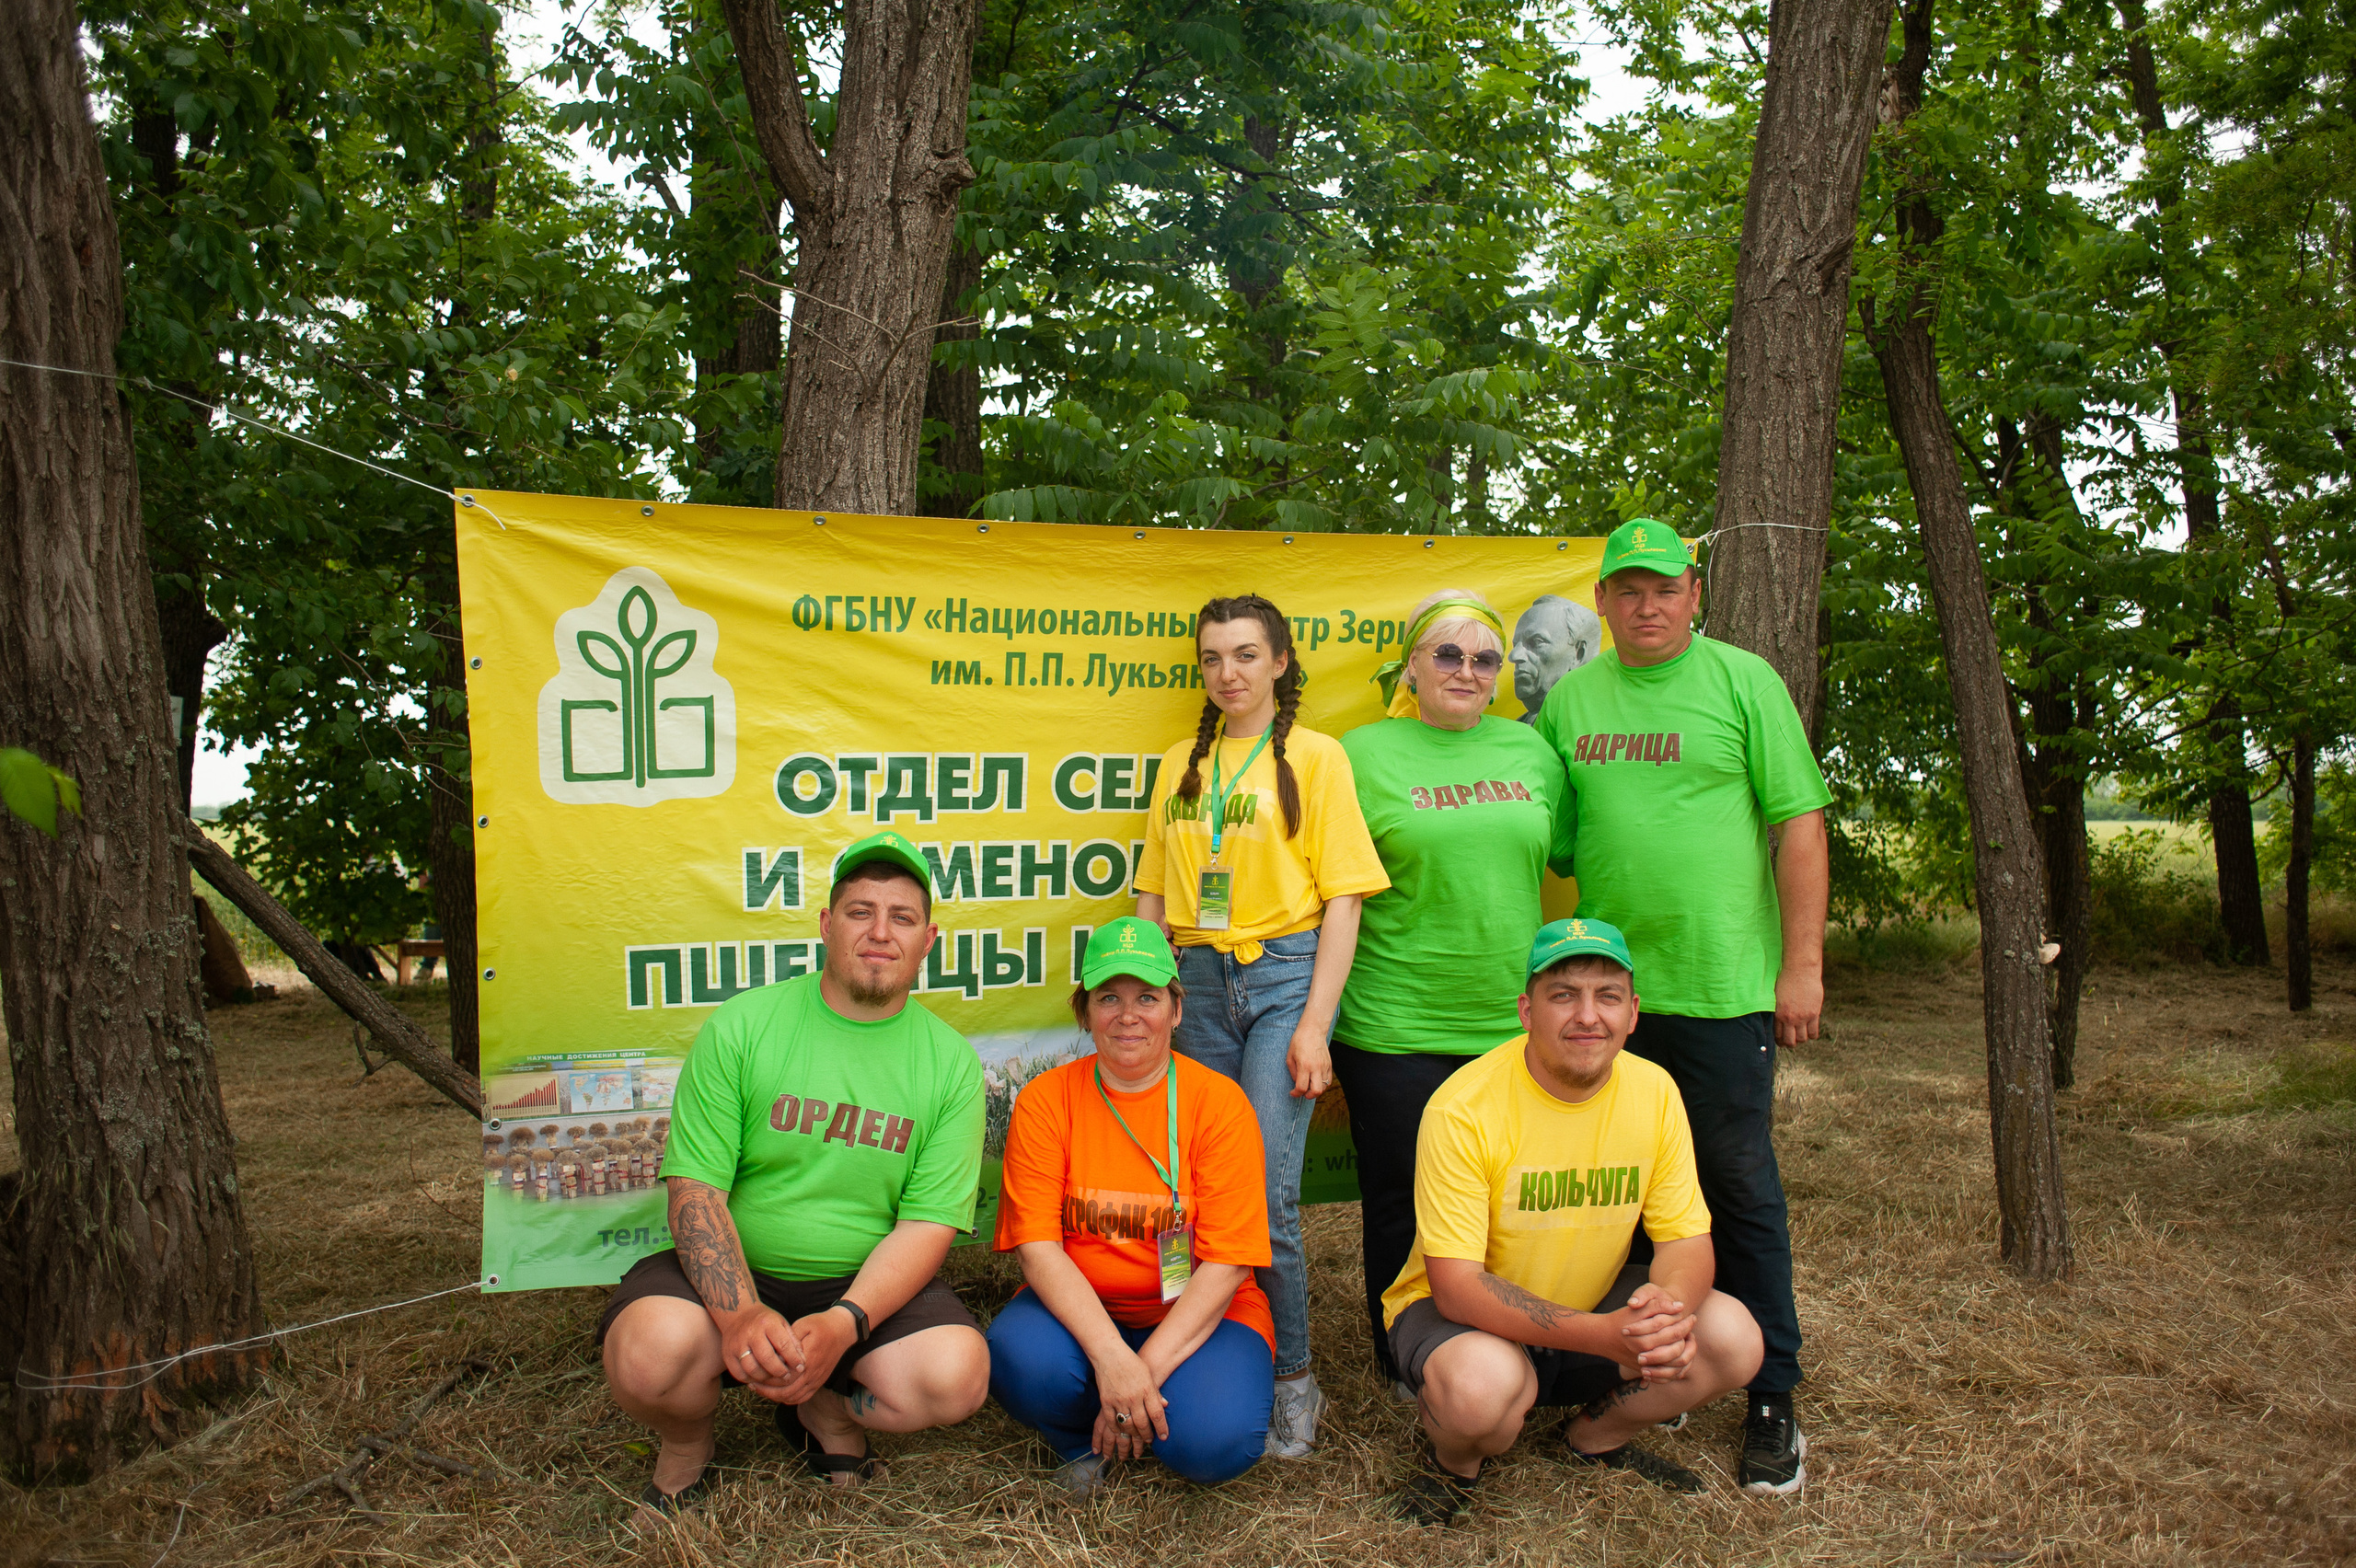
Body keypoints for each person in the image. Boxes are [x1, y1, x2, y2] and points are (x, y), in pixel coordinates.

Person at [1533, 516, 1831, 1496]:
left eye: (1664, 588)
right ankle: (1624, 1376)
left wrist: (1801, 968)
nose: (1646, 606)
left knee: (1736, 1188)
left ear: (1693, 595)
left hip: (1716, 988)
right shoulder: (1572, 704)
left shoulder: (1745, 683)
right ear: (1604, 602)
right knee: (1615, 1197)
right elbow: (1559, 842)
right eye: (1627, 590)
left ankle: (1771, 1395)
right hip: (1603, 999)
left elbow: (1798, 825)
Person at [598, 831, 991, 1518]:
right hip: (736, 1266)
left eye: (901, 917)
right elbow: (695, 1190)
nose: (879, 932)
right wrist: (740, 1310)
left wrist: (843, 1324)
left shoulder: (951, 1063)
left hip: (860, 1283)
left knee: (954, 1380)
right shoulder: (744, 1025)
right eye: (859, 911)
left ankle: (829, 1408)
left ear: (928, 942)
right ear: (825, 926)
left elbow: (928, 1224)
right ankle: (688, 1441)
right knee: (648, 1357)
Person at [1382, 918, 1763, 1526]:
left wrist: (1663, 1315)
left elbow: (1687, 1242)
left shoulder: (1656, 1091)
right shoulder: (1462, 1108)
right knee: (1480, 1394)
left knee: (1733, 1337)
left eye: (1607, 996)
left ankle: (1595, 1437)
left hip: (1594, 1306)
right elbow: (1457, 1285)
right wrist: (1607, 1337)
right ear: (1526, 1010)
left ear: (1633, 1013)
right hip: (1464, 1316)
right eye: (1564, 995)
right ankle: (1453, 1462)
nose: (1589, 1016)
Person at [1134, 593, 1390, 1458]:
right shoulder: (1179, 763)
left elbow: (1345, 897)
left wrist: (1316, 1024)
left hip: (1284, 977)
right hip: (1195, 982)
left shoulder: (1317, 759)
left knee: (1267, 1194)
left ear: (1280, 663)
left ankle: (1294, 1378)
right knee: (1186, 1186)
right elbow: (1155, 895)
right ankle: (1187, 1345)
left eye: (1245, 655)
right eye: (1212, 659)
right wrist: (1152, 993)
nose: (1227, 673)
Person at [1335, 589, 1575, 1387]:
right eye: (1447, 654)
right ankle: (1406, 1358)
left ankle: (1518, 1344)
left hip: (1512, 1021)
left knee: (1514, 1204)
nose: (1467, 672)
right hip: (1394, 1020)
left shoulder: (1533, 753)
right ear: (1411, 666)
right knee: (1402, 1202)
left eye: (1484, 659)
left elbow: (1573, 855)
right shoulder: (1360, 754)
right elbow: (1329, 888)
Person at [987, 917, 1276, 1499]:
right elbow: (1037, 1248)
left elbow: (1228, 1265)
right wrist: (1112, 1358)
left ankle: (1138, 1408)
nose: (1128, 1015)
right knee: (1018, 1359)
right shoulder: (1046, 1100)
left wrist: (1137, 1374)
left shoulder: (1219, 1104)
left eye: (1147, 997)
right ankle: (1081, 1437)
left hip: (1200, 1313)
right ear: (1084, 1010)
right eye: (1108, 998)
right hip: (1084, 1313)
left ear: (1175, 1008)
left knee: (1214, 1441)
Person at [1507, 594, 1605, 722]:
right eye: (1515, 645)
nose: (1514, 656)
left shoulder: (1602, 728)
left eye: (1536, 642)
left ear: (1578, 654)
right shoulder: (1509, 735)